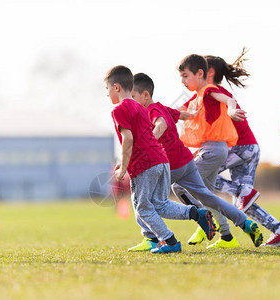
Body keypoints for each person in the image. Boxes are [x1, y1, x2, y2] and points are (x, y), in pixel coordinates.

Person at [128, 72, 263, 251]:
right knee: (207, 196)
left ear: (145, 95)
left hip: (171, 166)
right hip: (187, 163)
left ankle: (152, 238)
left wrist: (147, 145)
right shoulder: (162, 107)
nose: (130, 103)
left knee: (145, 201)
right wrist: (193, 114)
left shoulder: (151, 111)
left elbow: (161, 125)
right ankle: (244, 223)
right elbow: (182, 115)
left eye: (133, 97)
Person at [181, 53, 280, 247]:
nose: (186, 79)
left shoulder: (212, 91)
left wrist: (232, 109)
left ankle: (216, 216)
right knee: (243, 204)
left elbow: (227, 103)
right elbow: (185, 112)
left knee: (200, 178)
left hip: (239, 149)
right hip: (249, 148)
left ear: (208, 73)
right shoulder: (202, 94)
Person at [104, 65, 215, 254]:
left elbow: (128, 138)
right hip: (162, 160)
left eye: (107, 89)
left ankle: (170, 241)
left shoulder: (119, 110)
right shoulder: (139, 107)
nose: (107, 94)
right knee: (159, 204)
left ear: (116, 87)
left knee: (142, 208)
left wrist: (123, 167)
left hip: (144, 164)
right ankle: (197, 213)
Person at [173, 54, 263, 248]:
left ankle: (206, 219)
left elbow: (228, 99)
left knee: (179, 185)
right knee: (207, 195)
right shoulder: (197, 97)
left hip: (212, 151)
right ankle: (228, 236)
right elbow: (178, 113)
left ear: (200, 73)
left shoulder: (207, 90)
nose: (182, 81)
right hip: (214, 150)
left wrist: (231, 110)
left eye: (185, 76)